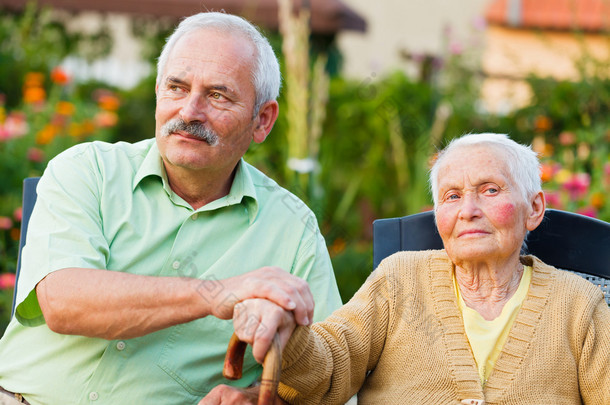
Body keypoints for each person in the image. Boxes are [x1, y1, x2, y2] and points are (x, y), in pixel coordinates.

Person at [0, 12, 342, 405]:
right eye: (177, 88)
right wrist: (221, 294)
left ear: (261, 121)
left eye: (218, 95)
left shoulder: (292, 229)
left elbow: (327, 372)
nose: (190, 112)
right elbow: (63, 302)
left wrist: (254, 398)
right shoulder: (87, 169)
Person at [204, 133, 610, 405]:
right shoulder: (399, 280)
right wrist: (288, 331)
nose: (468, 211)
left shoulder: (578, 304)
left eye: (489, 190)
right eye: (452, 196)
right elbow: (330, 365)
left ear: (534, 209)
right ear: (438, 216)